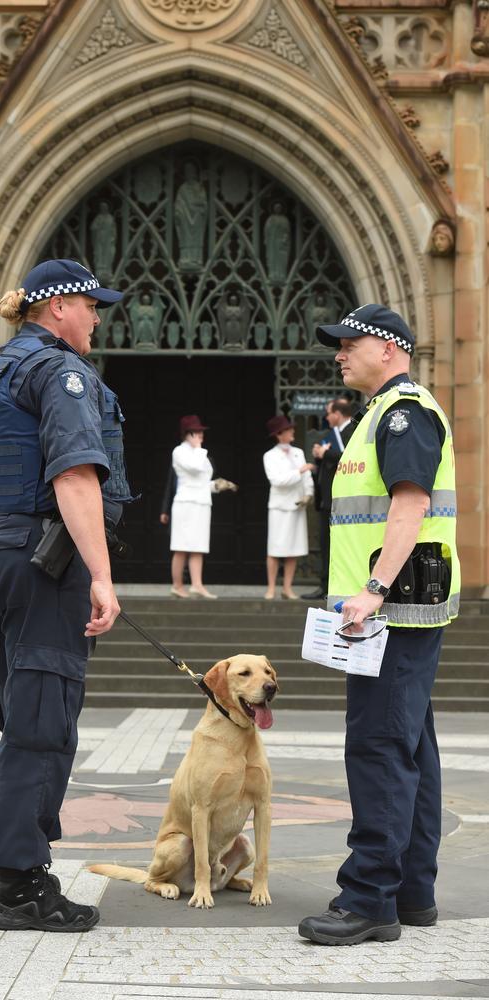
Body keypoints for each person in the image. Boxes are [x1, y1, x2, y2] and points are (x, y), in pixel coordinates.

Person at [0, 259, 135, 933]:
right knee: (42, 722)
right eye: (92, 305)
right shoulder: (58, 372)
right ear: (58, 305)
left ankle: (23, 872)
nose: (97, 318)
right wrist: (100, 574)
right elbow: (74, 476)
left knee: (26, 716)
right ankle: (21, 888)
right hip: (40, 560)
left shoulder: (0, 366)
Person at [299, 303, 460, 945]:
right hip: (399, 609)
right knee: (410, 746)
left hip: (391, 611)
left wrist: (371, 589)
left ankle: (369, 899)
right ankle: (411, 890)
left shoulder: (403, 413)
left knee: (379, 748)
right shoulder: (380, 416)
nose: (339, 353)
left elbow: (410, 503)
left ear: (389, 349)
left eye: (349, 342)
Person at [303, 398, 355, 600]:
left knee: (340, 545)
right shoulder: (333, 434)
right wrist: (319, 455)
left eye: (328, 413)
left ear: (338, 414)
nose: (326, 417)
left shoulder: (352, 430)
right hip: (328, 499)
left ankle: (334, 587)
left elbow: (349, 457)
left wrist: (327, 453)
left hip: (344, 499)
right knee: (327, 544)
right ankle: (325, 585)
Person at [169, 415, 224, 599]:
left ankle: (197, 584)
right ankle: (177, 585)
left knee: (198, 545)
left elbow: (203, 480)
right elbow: (193, 468)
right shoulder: (179, 451)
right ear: (188, 433)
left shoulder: (201, 453)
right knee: (181, 545)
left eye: (201, 432)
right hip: (185, 503)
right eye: (197, 432)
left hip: (201, 502)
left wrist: (217, 486)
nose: (201, 435)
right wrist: (198, 449)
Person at [263, 415, 315, 600]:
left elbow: (307, 477)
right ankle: (271, 588)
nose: (292, 432)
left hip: (296, 506)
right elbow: (277, 481)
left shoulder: (298, 452)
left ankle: (287, 588)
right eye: (288, 430)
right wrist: (299, 471)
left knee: (294, 548)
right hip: (279, 507)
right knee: (275, 548)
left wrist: (308, 494)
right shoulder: (269, 456)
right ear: (279, 434)